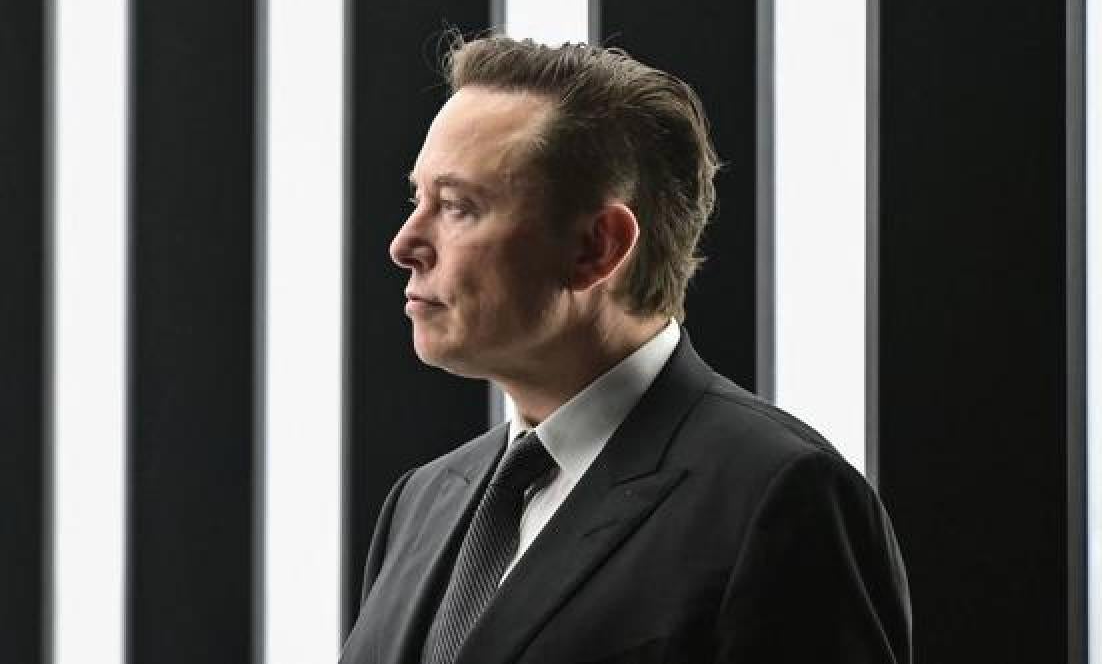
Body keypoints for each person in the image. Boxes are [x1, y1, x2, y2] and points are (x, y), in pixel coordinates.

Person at [339, 36, 911, 664]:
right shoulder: (421, 501)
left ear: (598, 248)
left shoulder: (781, 497)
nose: (404, 243)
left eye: (456, 206)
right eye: (416, 199)